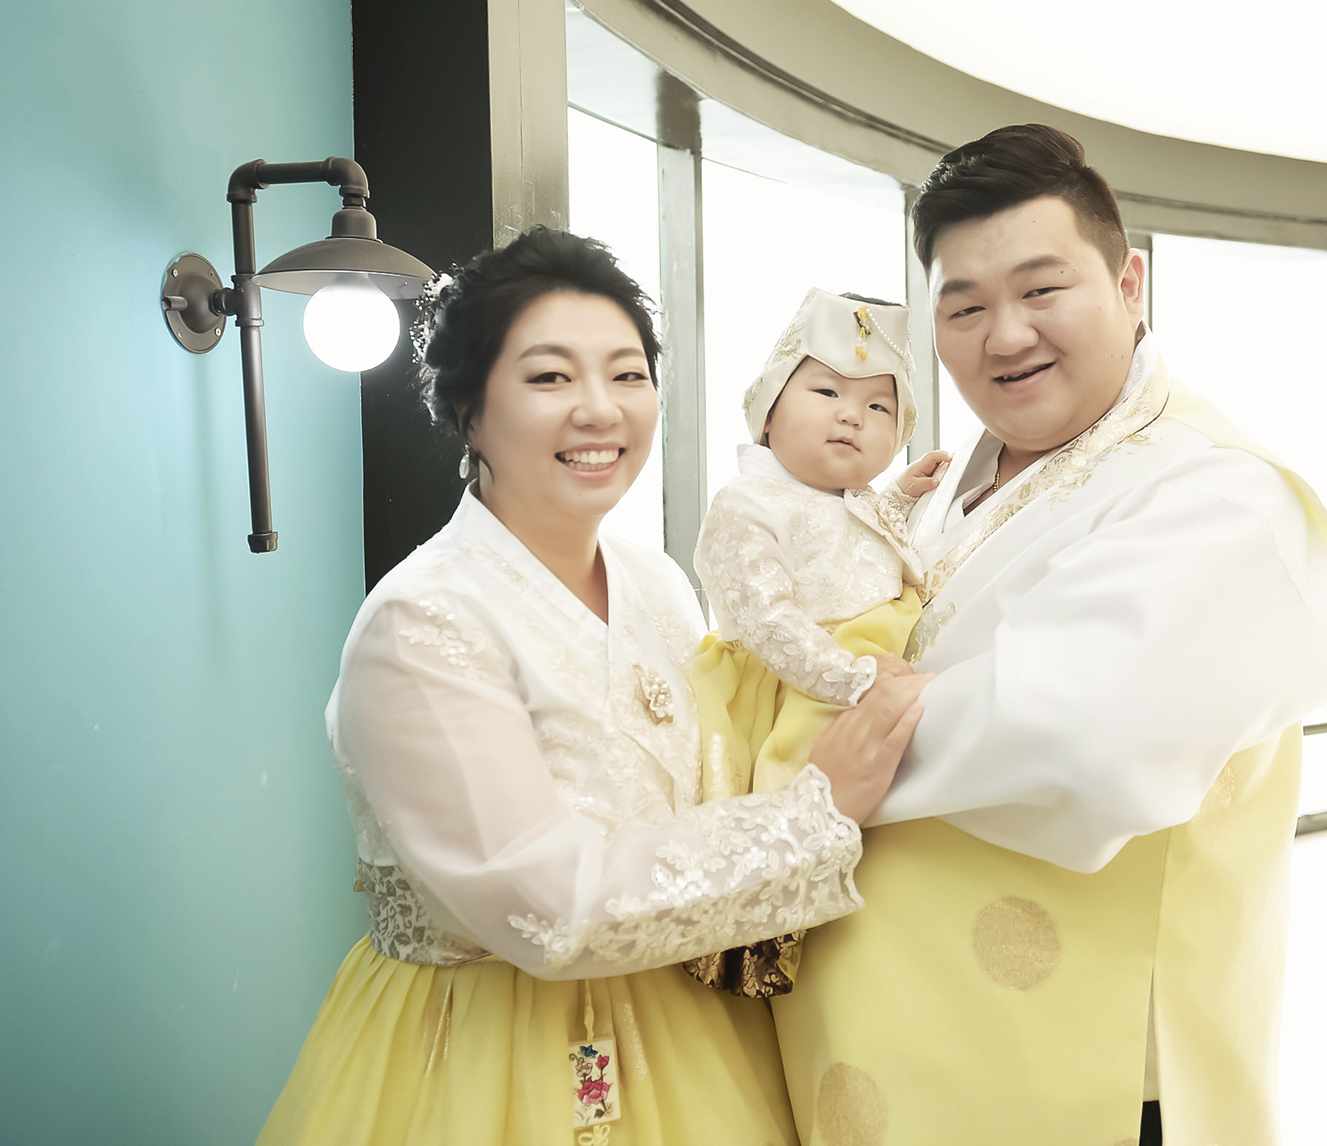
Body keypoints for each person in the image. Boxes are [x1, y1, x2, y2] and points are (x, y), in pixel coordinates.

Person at [256, 228, 932, 1146]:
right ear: (468, 408)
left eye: (627, 375)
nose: (600, 410)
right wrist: (820, 811)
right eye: (549, 377)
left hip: (682, 1028)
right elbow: (547, 911)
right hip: (482, 1055)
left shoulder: (655, 581)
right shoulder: (424, 622)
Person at [770, 127, 1327, 1146]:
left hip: (1096, 1074)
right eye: (965, 308)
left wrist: (797, 769)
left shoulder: (1221, 495)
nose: (1004, 335)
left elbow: (1080, 737)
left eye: (1041, 290)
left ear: (1129, 284)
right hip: (912, 1044)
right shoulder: (953, 482)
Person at [682, 289, 948, 997]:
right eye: (827, 391)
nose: (851, 415)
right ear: (768, 411)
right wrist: (849, 678)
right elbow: (766, 618)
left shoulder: (857, 502)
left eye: (879, 407)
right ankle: (764, 937)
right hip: (795, 684)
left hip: (865, 674)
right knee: (793, 797)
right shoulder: (748, 503)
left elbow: (853, 541)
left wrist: (900, 499)